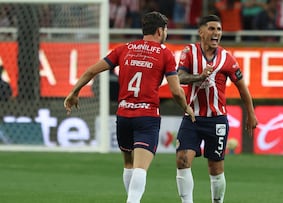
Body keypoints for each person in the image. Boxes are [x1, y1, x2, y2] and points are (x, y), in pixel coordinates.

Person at [64, 11, 195, 203]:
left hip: (123, 115)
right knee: (140, 167)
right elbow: (176, 91)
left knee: (128, 164)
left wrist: (74, 92)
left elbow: (91, 70)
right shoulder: (165, 53)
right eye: (165, 30)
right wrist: (187, 107)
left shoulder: (124, 48)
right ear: (160, 31)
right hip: (146, 117)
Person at [175, 14, 258, 203]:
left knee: (215, 167)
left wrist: (251, 114)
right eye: (212, 29)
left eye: (219, 29)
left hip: (217, 120)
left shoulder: (227, 58)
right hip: (192, 118)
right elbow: (179, 77)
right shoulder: (189, 52)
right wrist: (199, 76)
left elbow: (242, 88)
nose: (216, 33)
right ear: (201, 32)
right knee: (182, 160)